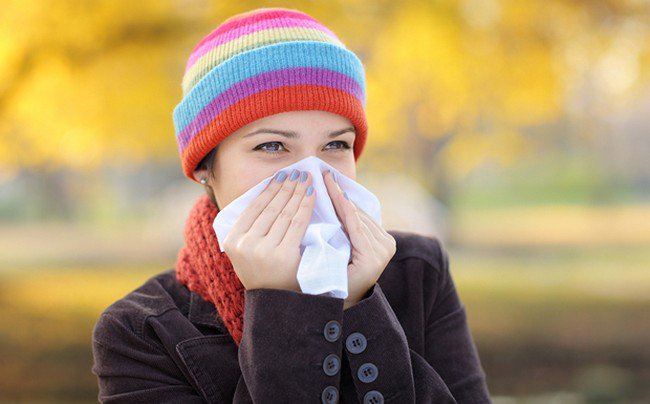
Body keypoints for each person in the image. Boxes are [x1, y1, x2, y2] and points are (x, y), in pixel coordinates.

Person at [91, 6, 492, 403]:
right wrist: (281, 307)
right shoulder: (140, 332)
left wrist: (357, 305)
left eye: (335, 145)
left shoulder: (419, 272)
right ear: (205, 167)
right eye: (272, 145)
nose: (310, 174)